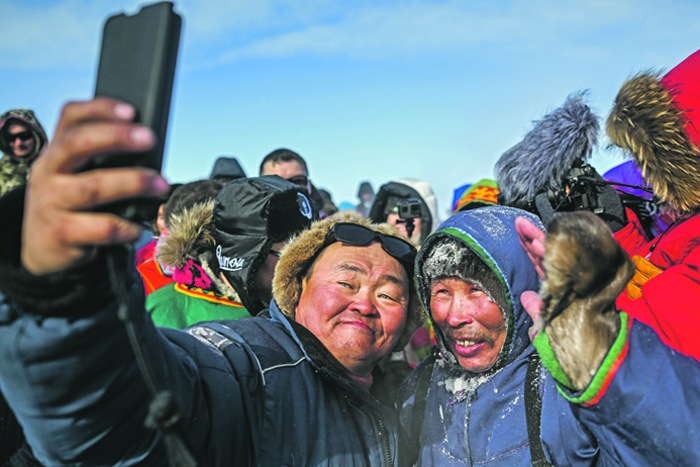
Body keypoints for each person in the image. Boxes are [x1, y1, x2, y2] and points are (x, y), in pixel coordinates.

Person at [0, 98, 424, 466]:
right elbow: (123, 411)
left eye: (389, 294)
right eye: (346, 284)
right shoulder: (250, 363)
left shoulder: (411, 394)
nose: (366, 304)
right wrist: (61, 294)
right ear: (295, 286)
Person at [399, 206, 700, 466]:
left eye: (477, 290)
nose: (454, 316)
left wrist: (607, 366)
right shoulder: (421, 388)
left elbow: (674, 449)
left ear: (518, 292)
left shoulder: (563, 395)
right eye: (441, 292)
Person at [606, 47, 700, 360]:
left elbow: (632, 352)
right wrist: (616, 227)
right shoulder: (688, 225)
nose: (645, 175)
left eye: (652, 161)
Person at [147, 175, 316, 327]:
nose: (301, 267)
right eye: (286, 254)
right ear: (245, 253)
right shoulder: (160, 312)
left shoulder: (311, 311)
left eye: (311, 255)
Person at [369, 179, 438, 247]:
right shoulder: (365, 256)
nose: (401, 219)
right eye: (394, 211)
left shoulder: (442, 256)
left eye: (411, 212)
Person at [0, 109, 48, 197]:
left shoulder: (55, 166)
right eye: (11, 138)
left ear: (36, 135)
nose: (18, 143)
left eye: (24, 136)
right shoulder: (1, 172)